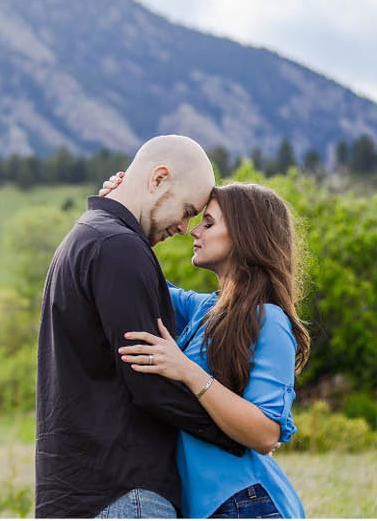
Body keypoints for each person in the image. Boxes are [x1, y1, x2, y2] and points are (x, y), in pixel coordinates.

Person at [36, 135, 247, 518]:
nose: (185, 228)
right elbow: (150, 382)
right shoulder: (118, 248)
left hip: (79, 493)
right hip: (123, 493)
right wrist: (235, 434)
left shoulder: (89, 238)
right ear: (158, 179)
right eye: (186, 210)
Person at [117, 178, 310, 519]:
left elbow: (266, 434)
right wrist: (121, 204)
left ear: (245, 235)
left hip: (246, 503)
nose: (193, 231)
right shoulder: (203, 309)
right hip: (205, 508)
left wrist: (189, 373)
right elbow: (133, 274)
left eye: (208, 223)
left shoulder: (268, 320)